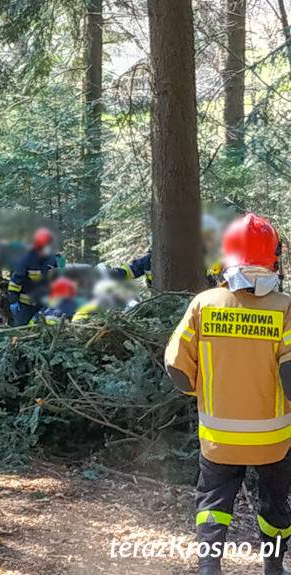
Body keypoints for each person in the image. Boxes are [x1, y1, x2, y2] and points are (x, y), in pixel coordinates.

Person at [165, 213, 291, 575]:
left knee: (214, 499)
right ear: (273, 258)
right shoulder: (284, 308)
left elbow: (176, 367)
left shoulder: (204, 304)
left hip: (219, 436)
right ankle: (273, 566)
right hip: (274, 438)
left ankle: (209, 566)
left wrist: (205, 393)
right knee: (275, 503)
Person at [7, 227, 58, 326]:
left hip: (44, 304)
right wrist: (13, 301)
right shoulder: (26, 259)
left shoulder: (52, 259)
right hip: (25, 305)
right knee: (21, 330)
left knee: (45, 330)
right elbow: (15, 282)